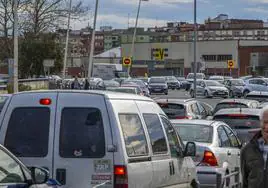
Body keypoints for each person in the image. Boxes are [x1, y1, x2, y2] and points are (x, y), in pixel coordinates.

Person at [241, 107, 268, 188]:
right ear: (260, 123)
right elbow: (245, 182)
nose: (267, 127)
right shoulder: (247, 150)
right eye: (265, 122)